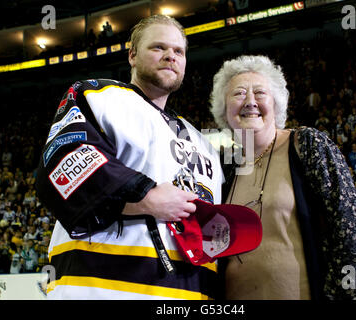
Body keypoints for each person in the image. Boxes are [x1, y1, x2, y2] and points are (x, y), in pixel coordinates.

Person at [35, 15, 224, 300]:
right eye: (158, 47)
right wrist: (145, 197)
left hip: (188, 292)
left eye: (179, 51)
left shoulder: (201, 140)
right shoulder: (97, 96)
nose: (170, 56)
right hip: (100, 287)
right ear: (132, 55)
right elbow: (66, 159)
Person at [209, 55, 356, 300]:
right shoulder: (225, 167)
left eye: (260, 93)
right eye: (239, 93)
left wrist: (344, 295)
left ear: (276, 104)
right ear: (224, 108)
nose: (250, 101)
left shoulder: (306, 145)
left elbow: (351, 227)